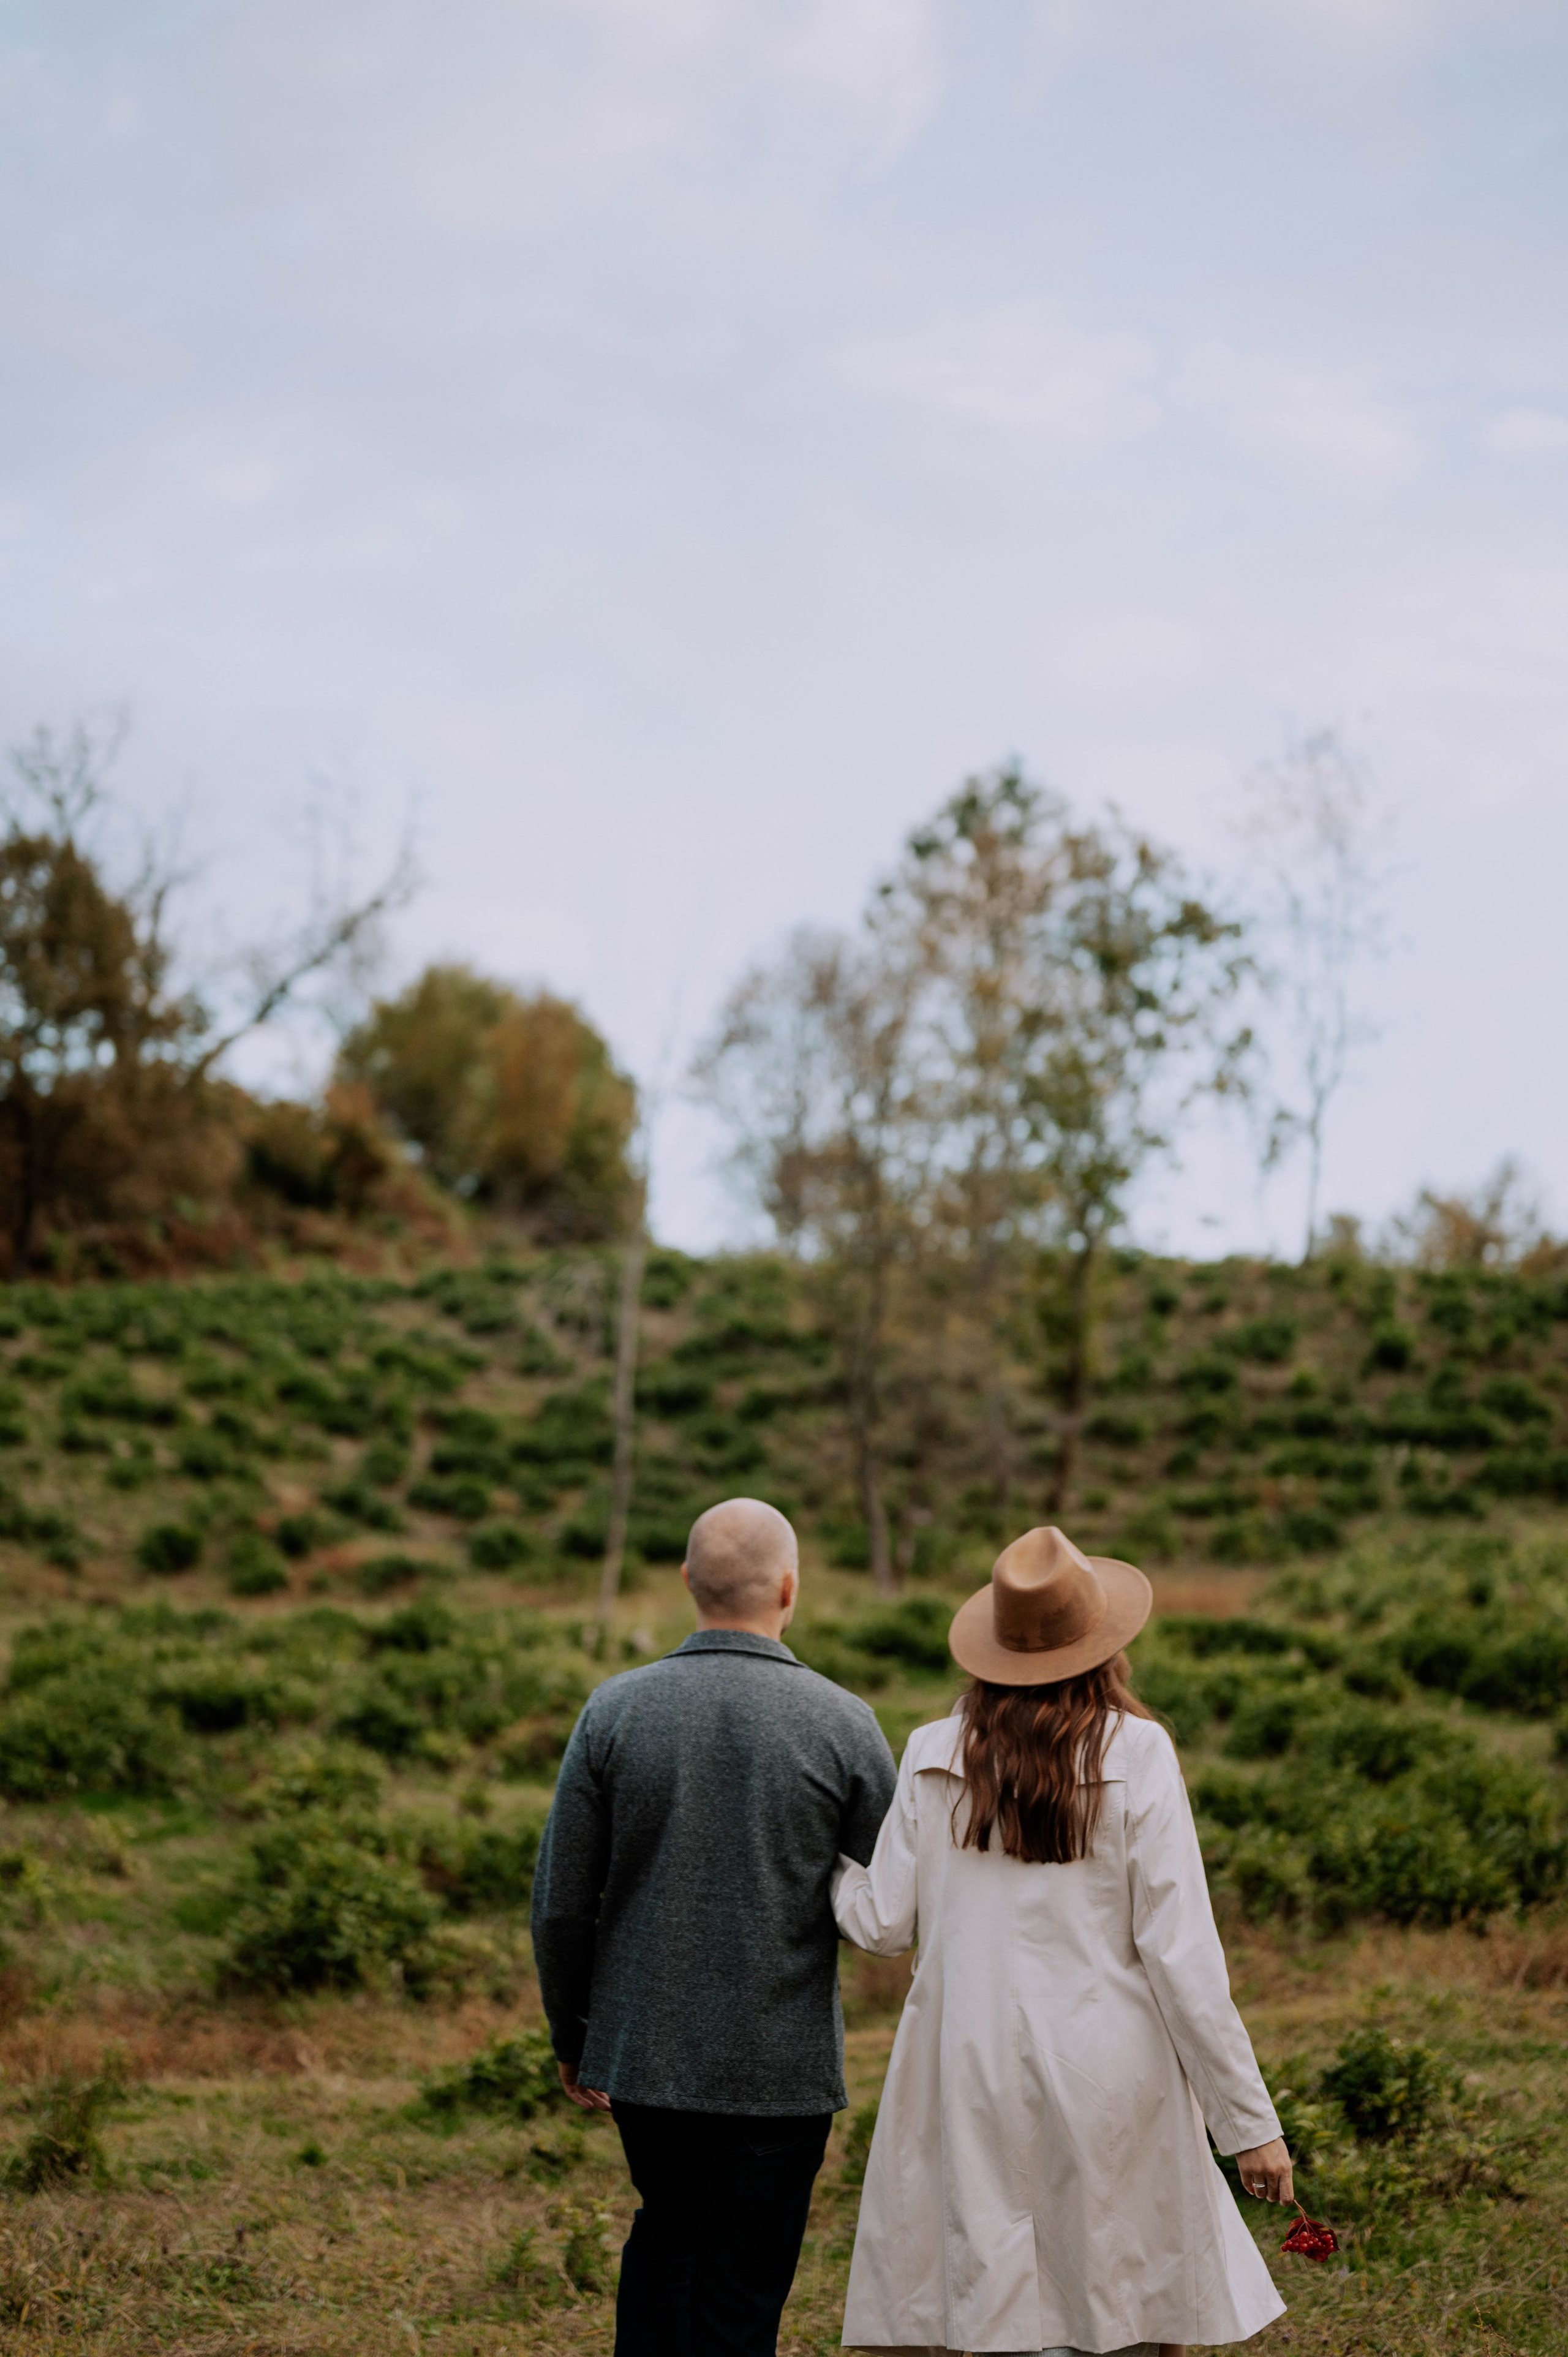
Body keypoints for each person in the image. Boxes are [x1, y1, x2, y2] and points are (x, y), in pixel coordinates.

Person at [831, 1525, 1293, 2357]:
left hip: (965, 2061)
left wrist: (831, 1867)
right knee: (1116, 2303)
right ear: (1103, 1646)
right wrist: (1249, 2125)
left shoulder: (934, 1752)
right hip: (1111, 2064)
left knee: (993, 2300)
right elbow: (1182, 1956)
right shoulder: (1139, 1752)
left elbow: (881, 1923)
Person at [530, 1495, 899, 2357]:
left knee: (664, 2243)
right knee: (745, 2285)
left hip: (643, 2058)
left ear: (688, 1580)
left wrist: (572, 2032)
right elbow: (895, 1888)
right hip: (781, 2067)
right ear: (789, 1587)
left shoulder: (613, 1710)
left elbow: (560, 1899)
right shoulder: (846, 1723)